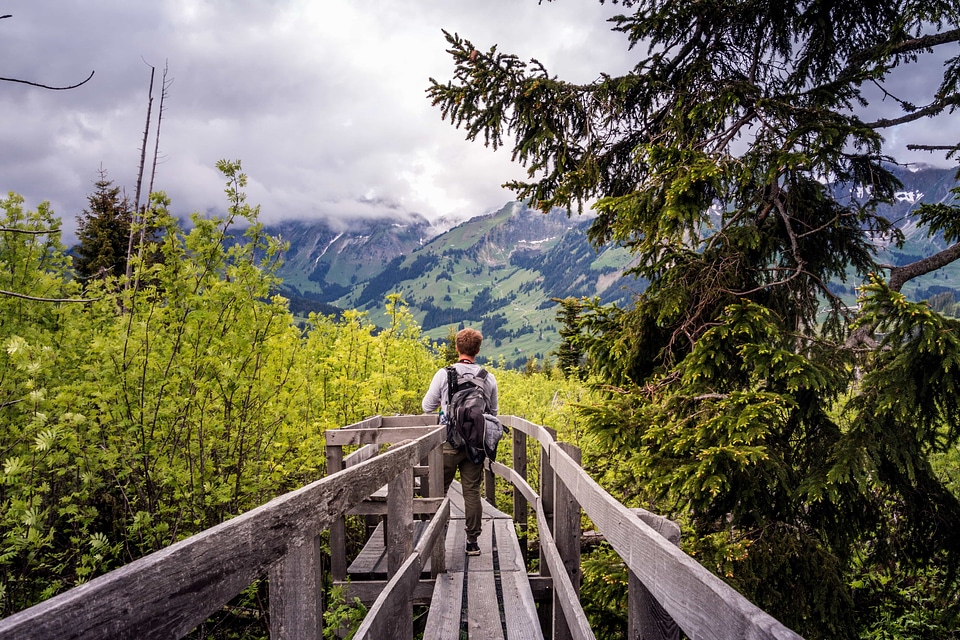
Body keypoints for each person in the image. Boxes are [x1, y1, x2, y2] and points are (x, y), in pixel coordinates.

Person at [422, 327, 498, 556]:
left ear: (457, 348)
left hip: (448, 441)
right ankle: (472, 542)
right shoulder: (488, 377)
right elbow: (493, 412)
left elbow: (426, 407)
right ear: (478, 350)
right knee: (472, 491)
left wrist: (446, 407)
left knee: (439, 490)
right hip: (475, 443)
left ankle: (437, 539)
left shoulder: (444, 374)